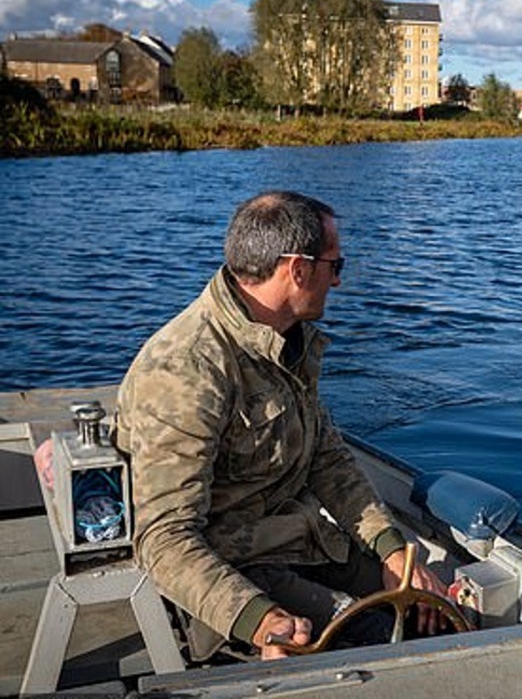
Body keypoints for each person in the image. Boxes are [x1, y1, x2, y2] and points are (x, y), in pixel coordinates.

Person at [113, 190, 447, 661]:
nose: (337, 282)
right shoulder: (186, 369)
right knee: (379, 643)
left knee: (432, 610)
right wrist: (261, 622)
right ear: (298, 270)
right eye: (337, 266)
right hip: (234, 571)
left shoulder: (288, 343)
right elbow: (164, 539)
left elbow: (328, 462)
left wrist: (393, 550)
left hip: (299, 541)